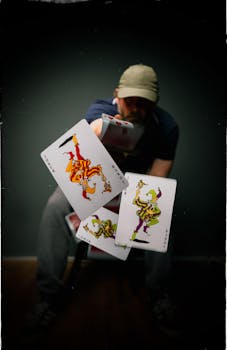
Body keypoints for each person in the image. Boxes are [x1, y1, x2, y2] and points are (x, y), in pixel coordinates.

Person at [23, 64, 179, 338]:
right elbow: (90, 138)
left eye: (144, 104)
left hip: (134, 188)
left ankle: (159, 296)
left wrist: (133, 214)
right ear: (117, 94)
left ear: (155, 103)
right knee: (54, 207)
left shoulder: (167, 127)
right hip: (94, 183)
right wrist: (104, 129)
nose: (136, 109)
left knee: (159, 209)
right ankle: (47, 298)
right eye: (130, 101)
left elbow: (157, 178)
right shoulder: (100, 109)